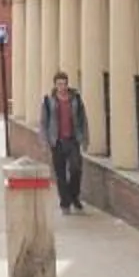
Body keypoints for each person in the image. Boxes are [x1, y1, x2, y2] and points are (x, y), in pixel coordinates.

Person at [38, 70, 91, 212]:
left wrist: (85, 139)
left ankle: (74, 196)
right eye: (59, 84)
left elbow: (83, 120)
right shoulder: (49, 100)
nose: (62, 87)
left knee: (76, 169)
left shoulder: (76, 99)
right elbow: (43, 122)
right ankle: (65, 203)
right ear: (55, 85)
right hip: (57, 141)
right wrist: (44, 141)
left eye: (64, 84)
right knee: (60, 173)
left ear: (67, 85)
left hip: (73, 140)